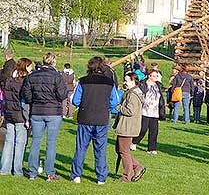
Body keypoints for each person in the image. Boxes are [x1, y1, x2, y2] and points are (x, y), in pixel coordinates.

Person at [70, 56, 119, 184]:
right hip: (102, 118)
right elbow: (114, 102)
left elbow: (75, 101)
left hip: (85, 118)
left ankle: (76, 175)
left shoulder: (83, 81)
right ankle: (101, 177)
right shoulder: (110, 83)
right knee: (100, 149)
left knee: (81, 148)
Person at [21, 52, 67, 181]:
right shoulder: (57, 76)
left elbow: (26, 93)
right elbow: (62, 94)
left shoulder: (32, 76)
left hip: (37, 111)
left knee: (35, 142)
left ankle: (32, 172)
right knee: (51, 143)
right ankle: (50, 173)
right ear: (53, 62)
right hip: (53, 112)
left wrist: (33, 100)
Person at [0, 58, 32, 176]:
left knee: (9, 142)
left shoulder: (9, 81)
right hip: (20, 115)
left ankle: (5, 169)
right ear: (26, 67)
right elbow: (26, 101)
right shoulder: (25, 82)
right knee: (20, 143)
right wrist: (27, 117)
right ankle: (17, 170)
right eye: (30, 67)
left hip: (9, 114)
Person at [114, 72, 146, 182]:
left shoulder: (132, 95)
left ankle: (127, 175)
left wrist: (119, 107)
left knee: (124, 152)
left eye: (126, 80)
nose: (124, 83)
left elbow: (130, 111)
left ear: (133, 81)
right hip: (128, 126)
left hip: (127, 127)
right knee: (120, 150)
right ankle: (137, 167)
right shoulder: (133, 93)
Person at [131, 69, 165, 154]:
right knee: (143, 129)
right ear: (149, 76)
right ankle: (134, 142)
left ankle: (151, 148)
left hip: (155, 111)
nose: (156, 77)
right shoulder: (143, 84)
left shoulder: (158, 85)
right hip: (145, 110)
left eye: (157, 76)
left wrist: (162, 108)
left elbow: (160, 97)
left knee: (154, 131)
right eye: (154, 76)